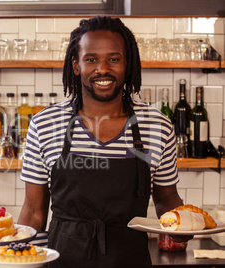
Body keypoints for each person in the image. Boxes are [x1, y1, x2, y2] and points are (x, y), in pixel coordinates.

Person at [18, 16, 191, 267]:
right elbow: (34, 212)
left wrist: (184, 224)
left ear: (127, 63)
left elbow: (166, 199)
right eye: (91, 59)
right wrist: (16, 256)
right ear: (76, 65)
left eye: (114, 59)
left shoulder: (157, 125)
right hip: (62, 260)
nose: (102, 69)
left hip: (130, 259)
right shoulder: (45, 124)